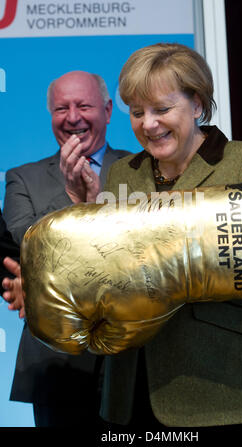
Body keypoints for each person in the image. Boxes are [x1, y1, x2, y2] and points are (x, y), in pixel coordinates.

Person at [100, 43, 242, 430]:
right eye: (137, 112)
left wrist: (201, 235)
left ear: (196, 104)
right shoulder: (122, 173)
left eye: (161, 109)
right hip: (132, 392)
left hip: (228, 393)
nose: (149, 124)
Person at [2, 70, 130, 427]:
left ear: (107, 109)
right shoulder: (22, 177)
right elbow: (25, 249)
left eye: (83, 105)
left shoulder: (140, 170)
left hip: (133, 356)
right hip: (56, 359)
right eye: (62, 108)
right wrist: (74, 199)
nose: (73, 117)